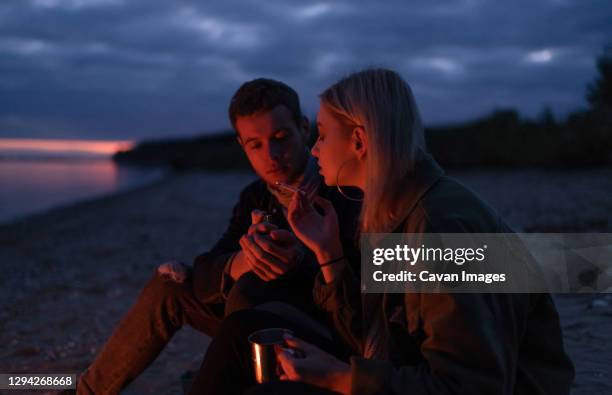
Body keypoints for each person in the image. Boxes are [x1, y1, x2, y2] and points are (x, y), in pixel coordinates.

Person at [194, 69, 575, 395]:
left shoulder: (438, 226)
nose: (314, 151)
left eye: (323, 136)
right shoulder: (393, 207)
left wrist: (342, 378)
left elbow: (470, 386)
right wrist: (330, 254)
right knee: (242, 331)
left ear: (359, 141)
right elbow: (375, 337)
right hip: (404, 370)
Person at [75, 78, 360, 395]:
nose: (272, 154)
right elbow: (209, 272)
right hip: (257, 319)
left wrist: (303, 261)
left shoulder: (342, 187)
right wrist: (244, 260)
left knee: (248, 296)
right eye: (256, 145)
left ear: (304, 128)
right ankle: (84, 392)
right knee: (171, 285)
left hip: (321, 330)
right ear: (242, 145)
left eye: (281, 137)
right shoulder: (256, 197)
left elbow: (367, 304)